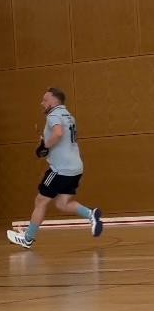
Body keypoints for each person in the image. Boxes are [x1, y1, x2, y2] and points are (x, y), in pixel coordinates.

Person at [7, 88, 103, 249]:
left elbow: (58, 133)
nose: (42, 103)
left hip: (61, 169)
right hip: (75, 168)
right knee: (62, 203)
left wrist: (44, 146)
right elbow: (62, 138)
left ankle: (28, 238)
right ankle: (90, 214)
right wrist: (47, 144)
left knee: (41, 200)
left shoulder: (53, 115)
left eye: (45, 100)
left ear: (54, 102)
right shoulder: (68, 116)